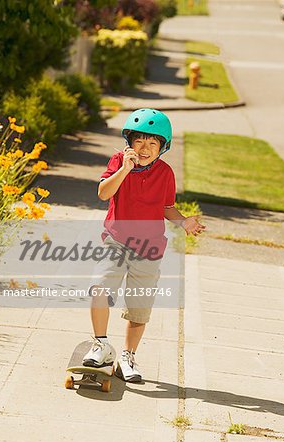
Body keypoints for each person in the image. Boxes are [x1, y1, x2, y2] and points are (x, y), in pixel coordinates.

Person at [83, 108, 205, 382]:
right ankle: (101, 345)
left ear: (162, 147)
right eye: (139, 141)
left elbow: (166, 207)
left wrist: (183, 221)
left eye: (153, 143)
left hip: (149, 250)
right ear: (129, 142)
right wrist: (125, 170)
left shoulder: (165, 173)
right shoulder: (118, 161)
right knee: (100, 288)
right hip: (116, 241)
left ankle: (127, 356)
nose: (145, 148)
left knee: (139, 309)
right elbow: (104, 193)